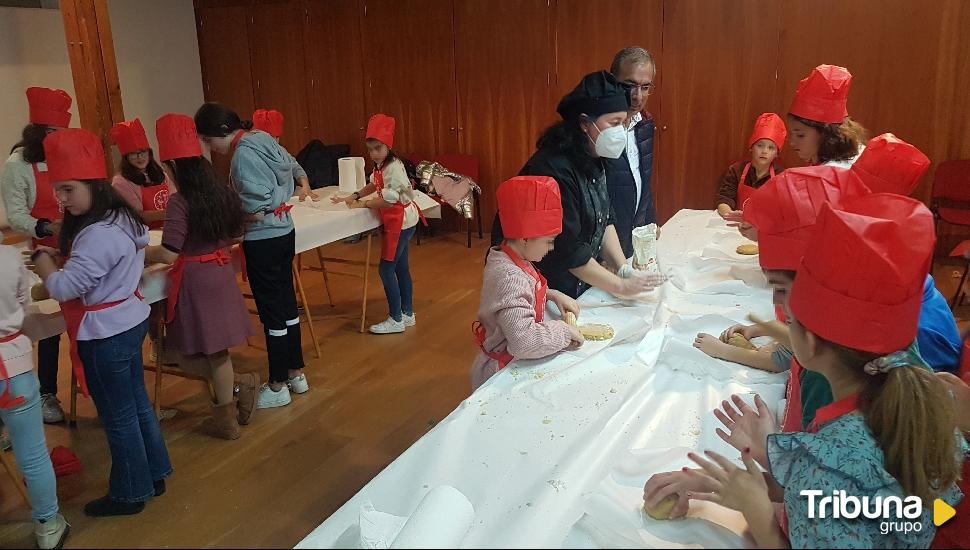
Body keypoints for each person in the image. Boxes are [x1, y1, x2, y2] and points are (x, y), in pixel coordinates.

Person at [679, 195, 963, 548]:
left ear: (808, 344)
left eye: (789, 318)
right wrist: (757, 476)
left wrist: (757, 511)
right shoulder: (921, 398)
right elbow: (871, 505)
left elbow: (838, 488)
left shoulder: (828, 467)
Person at [31, 128, 171, 517]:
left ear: (92, 183)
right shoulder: (122, 217)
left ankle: (131, 492)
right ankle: (154, 472)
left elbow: (64, 287)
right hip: (130, 319)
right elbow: (142, 243)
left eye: (68, 189)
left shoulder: (97, 233)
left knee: (118, 415)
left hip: (106, 332)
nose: (61, 199)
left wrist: (43, 262)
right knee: (137, 404)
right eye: (57, 190)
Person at [491, 71, 662, 299]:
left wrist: (623, 270)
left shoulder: (597, 156)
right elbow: (567, 250)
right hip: (538, 284)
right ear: (584, 123)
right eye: (615, 123)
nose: (620, 132)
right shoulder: (554, 170)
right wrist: (620, 287)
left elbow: (605, 219)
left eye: (624, 123)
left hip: (575, 280)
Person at [144, 113, 258, 439]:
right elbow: (237, 233)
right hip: (220, 273)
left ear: (173, 168)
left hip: (195, 279)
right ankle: (236, 394)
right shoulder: (220, 192)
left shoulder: (181, 202)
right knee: (217, 352)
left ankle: (228, 417)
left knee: (184, 354)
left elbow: (167, 253)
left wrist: (140, 253)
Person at [194, 102, 307, 409]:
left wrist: (228, 221)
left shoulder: (243, 155)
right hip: (285, 231)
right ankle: (296, 374)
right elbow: (294, 169)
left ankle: (277, 383)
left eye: (207, 140)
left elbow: (255, 213)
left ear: (220, 133)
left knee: (273, 314)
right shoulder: (262, 138)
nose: (209, 147)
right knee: (287, 307)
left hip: (264, 239)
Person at [471, 176, 584, 389]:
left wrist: (552, 294)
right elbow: (524, 342)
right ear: (525, 239)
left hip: (514, 359)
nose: (551, 248)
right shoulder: (509, 277)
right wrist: (563, 331)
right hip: (504, 373)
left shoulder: (512, 255)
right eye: (549, 241)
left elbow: (522, 291)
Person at [0, 87, 72, 424]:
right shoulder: (18, 164)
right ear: (40, 132)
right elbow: (16, 215)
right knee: (51, 324)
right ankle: (46, 393)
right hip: (39, 251)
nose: (60, 139)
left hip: (72, 244)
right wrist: (45, 227)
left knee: (80, 316)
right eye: (54, 133)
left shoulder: (63, 157)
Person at [736, 64, 868, 241]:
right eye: (792, 134)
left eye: (800, 135)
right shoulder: (838, 154)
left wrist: (764, 235)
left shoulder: (834, 175)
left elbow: (817, 240)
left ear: (826, 133)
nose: (792, 142)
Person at [0, 244, 69, 548]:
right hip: (13, 366)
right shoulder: (9, 256)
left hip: (11, 365)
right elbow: (24, 302)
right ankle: (47, 525)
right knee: (33, 455)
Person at [332, 114, 425, 334]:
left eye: (377, 148)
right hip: (400, 221)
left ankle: (395, 318)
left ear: (387, 146)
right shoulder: (380, 166)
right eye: (370, 149)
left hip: (400, 222)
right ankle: (407, 313)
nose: (373, 154)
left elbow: (388, 198)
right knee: (401, 267)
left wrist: (363, 204)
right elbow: (373, 185)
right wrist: (354, 195)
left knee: (386, 269)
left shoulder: (394, 167)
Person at [606, 46, 657, 257]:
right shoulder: (597, 129)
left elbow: (643, 182)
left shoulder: (645, 124)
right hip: (601, 247)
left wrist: (651, 223)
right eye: (630, 85)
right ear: (612, 82)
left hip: (631, 240)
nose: (638, 96)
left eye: (645, 87)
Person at [715, 113, 786, 222]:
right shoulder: (736, 170)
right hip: (736, 224)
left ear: (777, 153)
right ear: (751, 147)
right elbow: (724, 199)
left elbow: (781, 210)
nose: (764, 151)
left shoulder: (781, 177)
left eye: (771, 148)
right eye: (760, 145)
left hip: (763, 228)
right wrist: (730, 215)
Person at [109, 118, 173, 229]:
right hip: (142, 234)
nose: (140, 157)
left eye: (143, 152)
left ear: (149, 153)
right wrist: (170, 213)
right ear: (126, 157)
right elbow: (136, 215)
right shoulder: (120, 181)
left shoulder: (162, 174)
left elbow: (174, 199)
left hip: (169, 229)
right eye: (133, 154)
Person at [252, 109, 318, 202]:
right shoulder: (250, 155)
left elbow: (295, 167)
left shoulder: (280, 150)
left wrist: (305, 186)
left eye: (277, 137)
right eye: (271, 137)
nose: (275, 141)